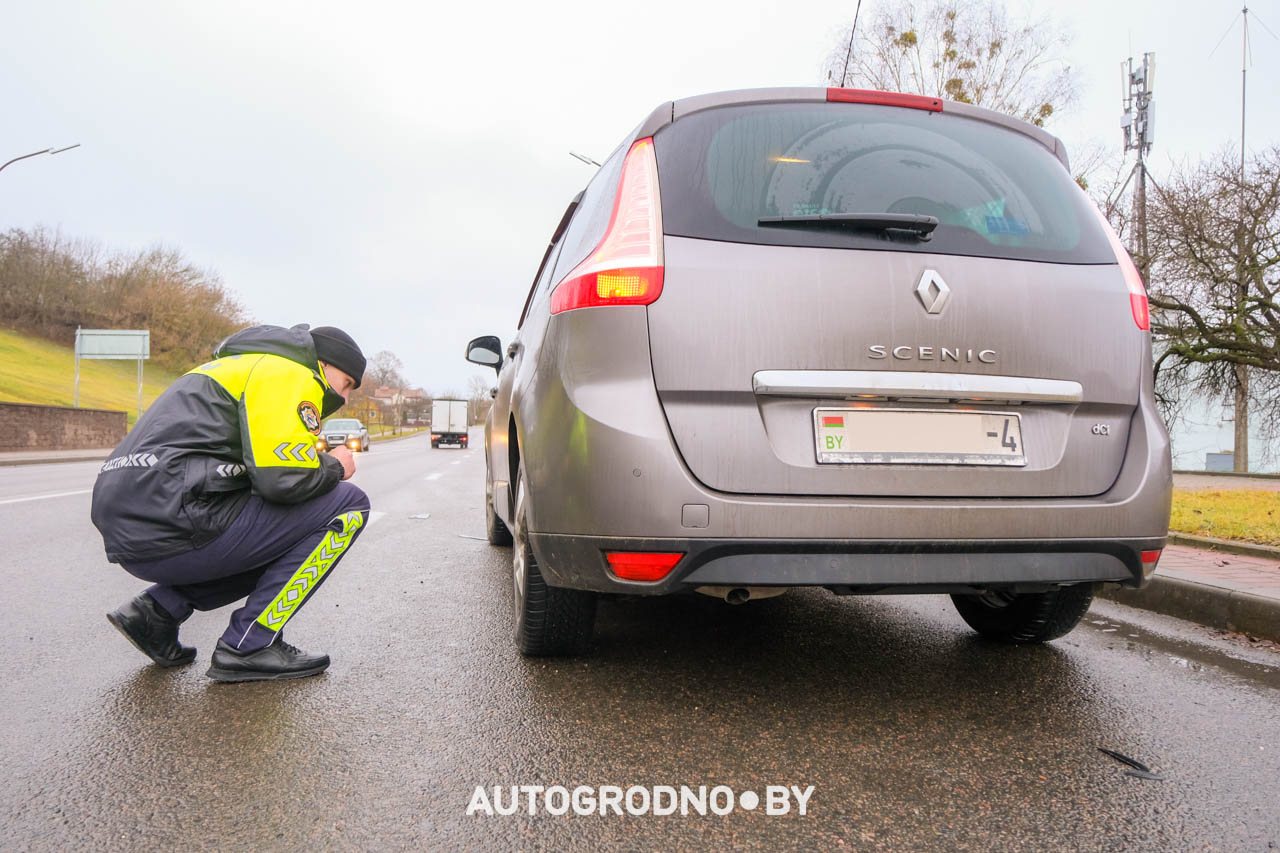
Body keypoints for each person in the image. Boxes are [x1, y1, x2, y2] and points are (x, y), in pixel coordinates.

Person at [92, 324, 371, 682]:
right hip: (175, 520)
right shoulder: (288, 371)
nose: (345, 397)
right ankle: (250, 645)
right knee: (348, 504)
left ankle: (156, 612)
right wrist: (335, 466)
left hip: (136, 524)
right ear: (323, 363)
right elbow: (283, 480)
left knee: (282, 532)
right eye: (347, 383)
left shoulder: (238, 367)